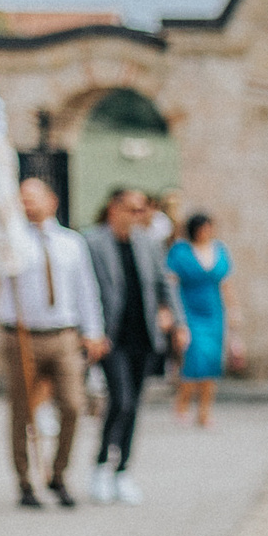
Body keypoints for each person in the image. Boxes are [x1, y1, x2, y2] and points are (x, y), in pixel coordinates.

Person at [0, 176, 105, 509]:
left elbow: (85, 289)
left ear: (51, 201)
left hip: (62, 335)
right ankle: (25, 479)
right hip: (22, 336)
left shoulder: (71, 243)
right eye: (22, 198)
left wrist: (93, 330)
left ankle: (59, 473)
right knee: (22, 410)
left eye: (34, 197)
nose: (28, 203)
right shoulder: (10, 241)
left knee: (72, 405)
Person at [82, 187, 180, 505]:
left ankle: (122, 469)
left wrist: (175, 320)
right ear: (114, 208)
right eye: (133, 209)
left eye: (143, 210)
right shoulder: (93, 242)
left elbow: (164, 286)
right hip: (111, 337)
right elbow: (87, 289)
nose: (140, 216)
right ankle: (101, 464)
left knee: (134, 404)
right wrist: (91, 331)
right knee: (121, 400)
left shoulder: (149, 243)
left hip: (144, 335)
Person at [167, 212, 231, 426]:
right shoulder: (180, 251)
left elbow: (226, 283)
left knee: (212, 361)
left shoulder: (219, 250)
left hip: (214, 311)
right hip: (189, 309)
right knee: (194, 359)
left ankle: (205, 411)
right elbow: (171, 283)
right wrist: (171, 313)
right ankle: (183, 404)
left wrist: (234, 310)